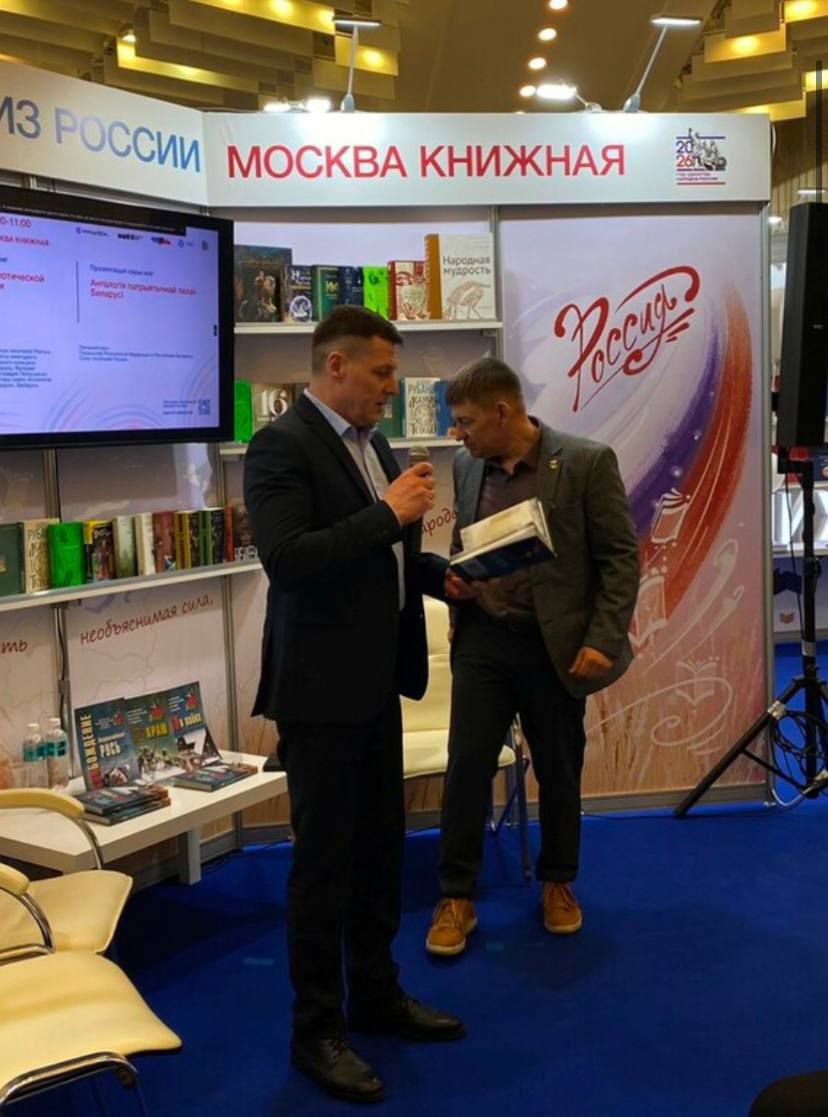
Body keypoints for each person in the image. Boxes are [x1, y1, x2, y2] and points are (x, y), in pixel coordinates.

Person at [243, 306, 466, 1105]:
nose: (392, 387)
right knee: (323, 869)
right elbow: (290, 559)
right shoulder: (280, 445)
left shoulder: (376, 445)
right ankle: (317, 1030)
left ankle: (376, 994)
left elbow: (388, 556)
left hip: (377, 686)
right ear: (335, 366)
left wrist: (447, 577)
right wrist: (389, 513)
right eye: (381, 372)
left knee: (379, 856)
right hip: (319, 693)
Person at [426, 357, 640, 957]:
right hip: (483, 641)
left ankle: (558, 883)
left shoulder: (587, 461)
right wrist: (457, 582)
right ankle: (456, 896)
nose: (457, 434)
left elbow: (621, 558)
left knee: (559, 769)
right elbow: (463, 542)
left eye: (466, 421)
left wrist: (602, 638)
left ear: (503, 411)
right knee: (467, 768)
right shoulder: (466, 466)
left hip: (557, 648)